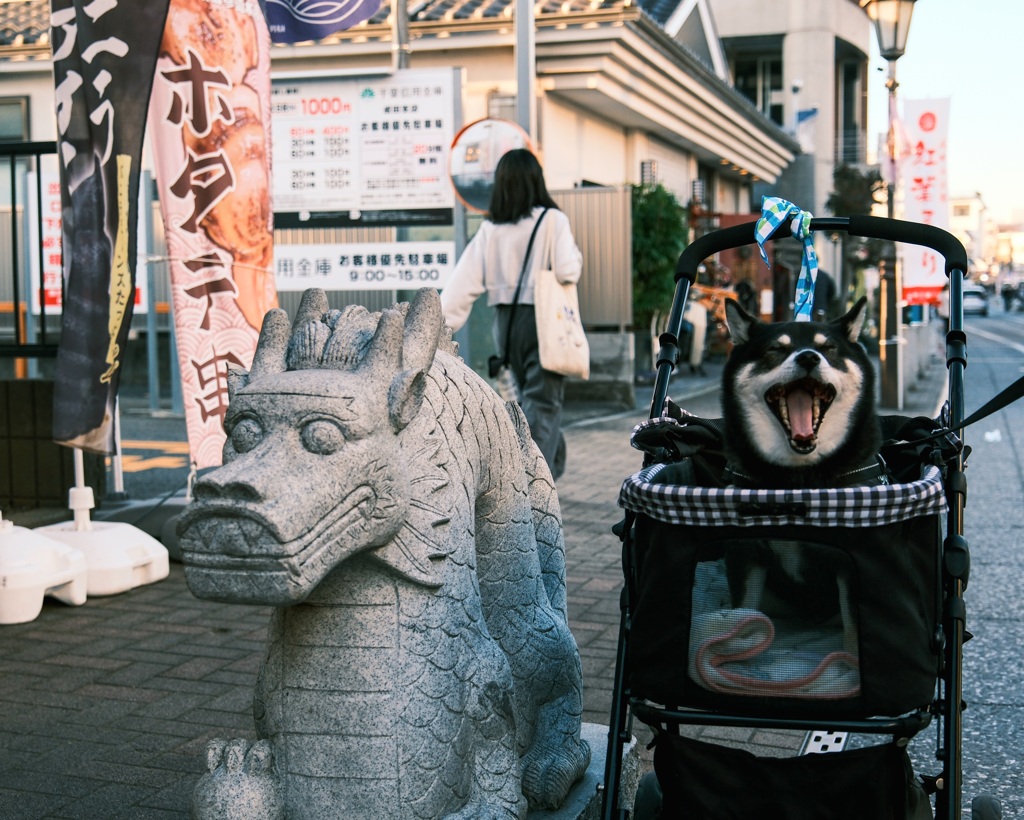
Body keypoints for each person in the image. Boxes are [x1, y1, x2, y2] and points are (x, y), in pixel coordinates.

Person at [440, 148, 583, 480]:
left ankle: (545, 469)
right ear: (536, 181)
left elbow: (463, 285)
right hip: (545, 322)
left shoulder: (492, 229)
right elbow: (567, 270)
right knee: (544, 403)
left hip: (504, 324)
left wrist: (434, 327)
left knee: (522, 405)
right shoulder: (552, 220)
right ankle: (533, 485)